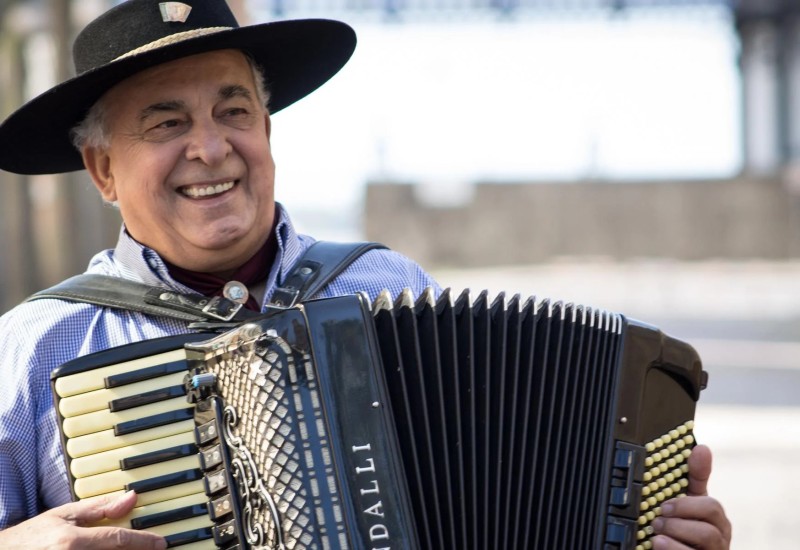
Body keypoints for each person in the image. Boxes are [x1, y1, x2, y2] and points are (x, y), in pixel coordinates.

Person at [0, 1, 731, 548]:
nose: (211, 147)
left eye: (235, 111)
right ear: (102, 171)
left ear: (266, 131)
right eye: (167, 124)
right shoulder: (37, 347)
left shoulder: (386, 286)